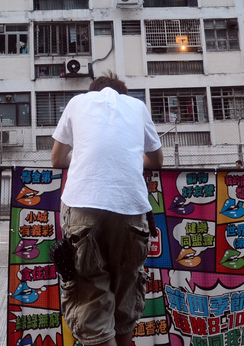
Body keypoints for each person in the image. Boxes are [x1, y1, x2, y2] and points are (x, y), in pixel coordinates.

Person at [51, 72, 164, 346]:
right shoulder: (137, 106)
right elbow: (157, 161)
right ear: (123, 95)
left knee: (90, 296)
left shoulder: (77, 102)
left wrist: (84, 154)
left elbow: (57, 159)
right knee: (125, 296)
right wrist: (130, 157)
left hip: (83, 205)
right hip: (131, 206)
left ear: (93, 91)